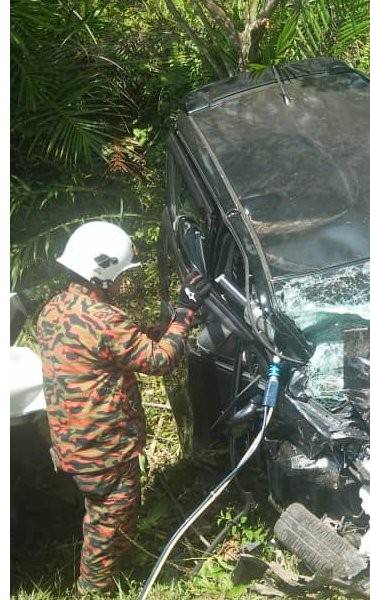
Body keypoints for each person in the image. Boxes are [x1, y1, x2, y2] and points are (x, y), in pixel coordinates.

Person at [36, 221, 212, 595]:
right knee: (107, 522)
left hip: (72, 444)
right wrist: (185, 314)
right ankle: (92, 588)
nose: (122, 282)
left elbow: (117, 345)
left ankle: (117, 561)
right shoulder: (105, 320)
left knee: (107, 512)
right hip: (105, 450)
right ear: (102, 275)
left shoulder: (53, 310)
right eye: (119, 276)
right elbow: (158, 360)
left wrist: (165, 323)